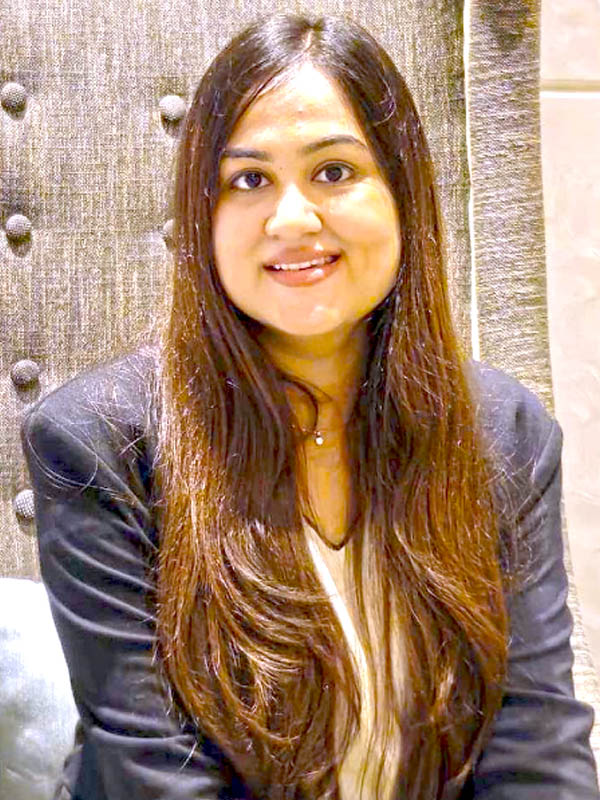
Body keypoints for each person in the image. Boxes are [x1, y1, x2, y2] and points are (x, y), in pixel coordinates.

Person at [20, 12, 599, 800]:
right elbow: (153, 777)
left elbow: (538, 753)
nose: (292, 218)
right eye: (248, 181)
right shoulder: (96, 442)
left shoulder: (504, 431)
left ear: (403, 195)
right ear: (203, 216)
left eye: (333, 171)